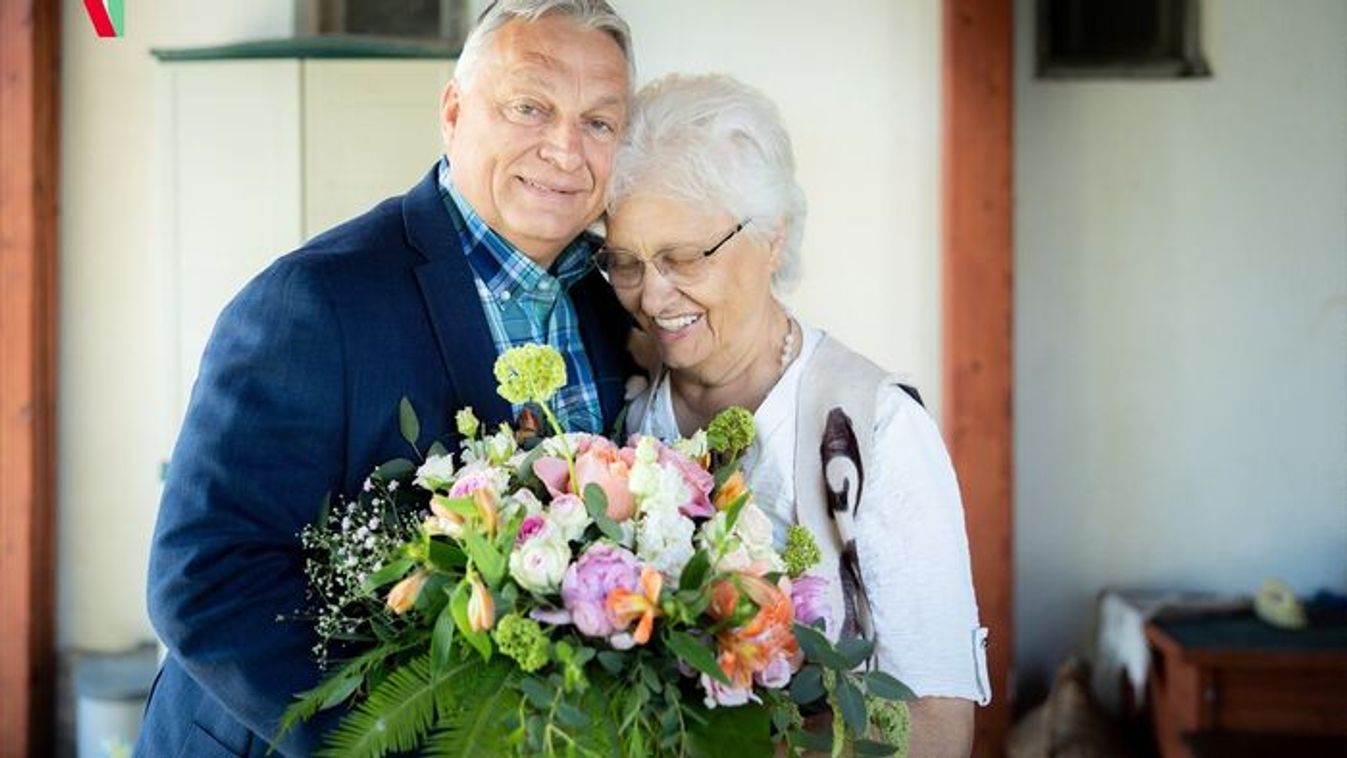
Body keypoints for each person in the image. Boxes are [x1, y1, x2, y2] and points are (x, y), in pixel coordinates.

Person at [137, 2, 635, 755]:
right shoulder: (313, 301)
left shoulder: (614, 306)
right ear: (453, 110)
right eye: (529, 107)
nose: (566, 149)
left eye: (599, 122)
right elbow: (207, 582)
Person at [604, 74, 991, 756]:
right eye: (625, 262)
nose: (652, 295)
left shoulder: (875, 431)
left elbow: (936, 727)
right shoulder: (616, 403)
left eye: (683, 256)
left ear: (772, 238)